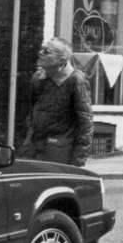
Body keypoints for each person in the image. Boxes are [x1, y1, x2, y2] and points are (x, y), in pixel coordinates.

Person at [20, 37, 93, 166]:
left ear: (62, 61)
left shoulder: (76, 80)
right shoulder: (37, 78)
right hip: (33, 149)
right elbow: (31, 112)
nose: (40, 53)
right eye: (42, 49)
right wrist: (27, 141)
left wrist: (78, 161)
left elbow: (85, 124)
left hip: (59, 154)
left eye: (47, 51)